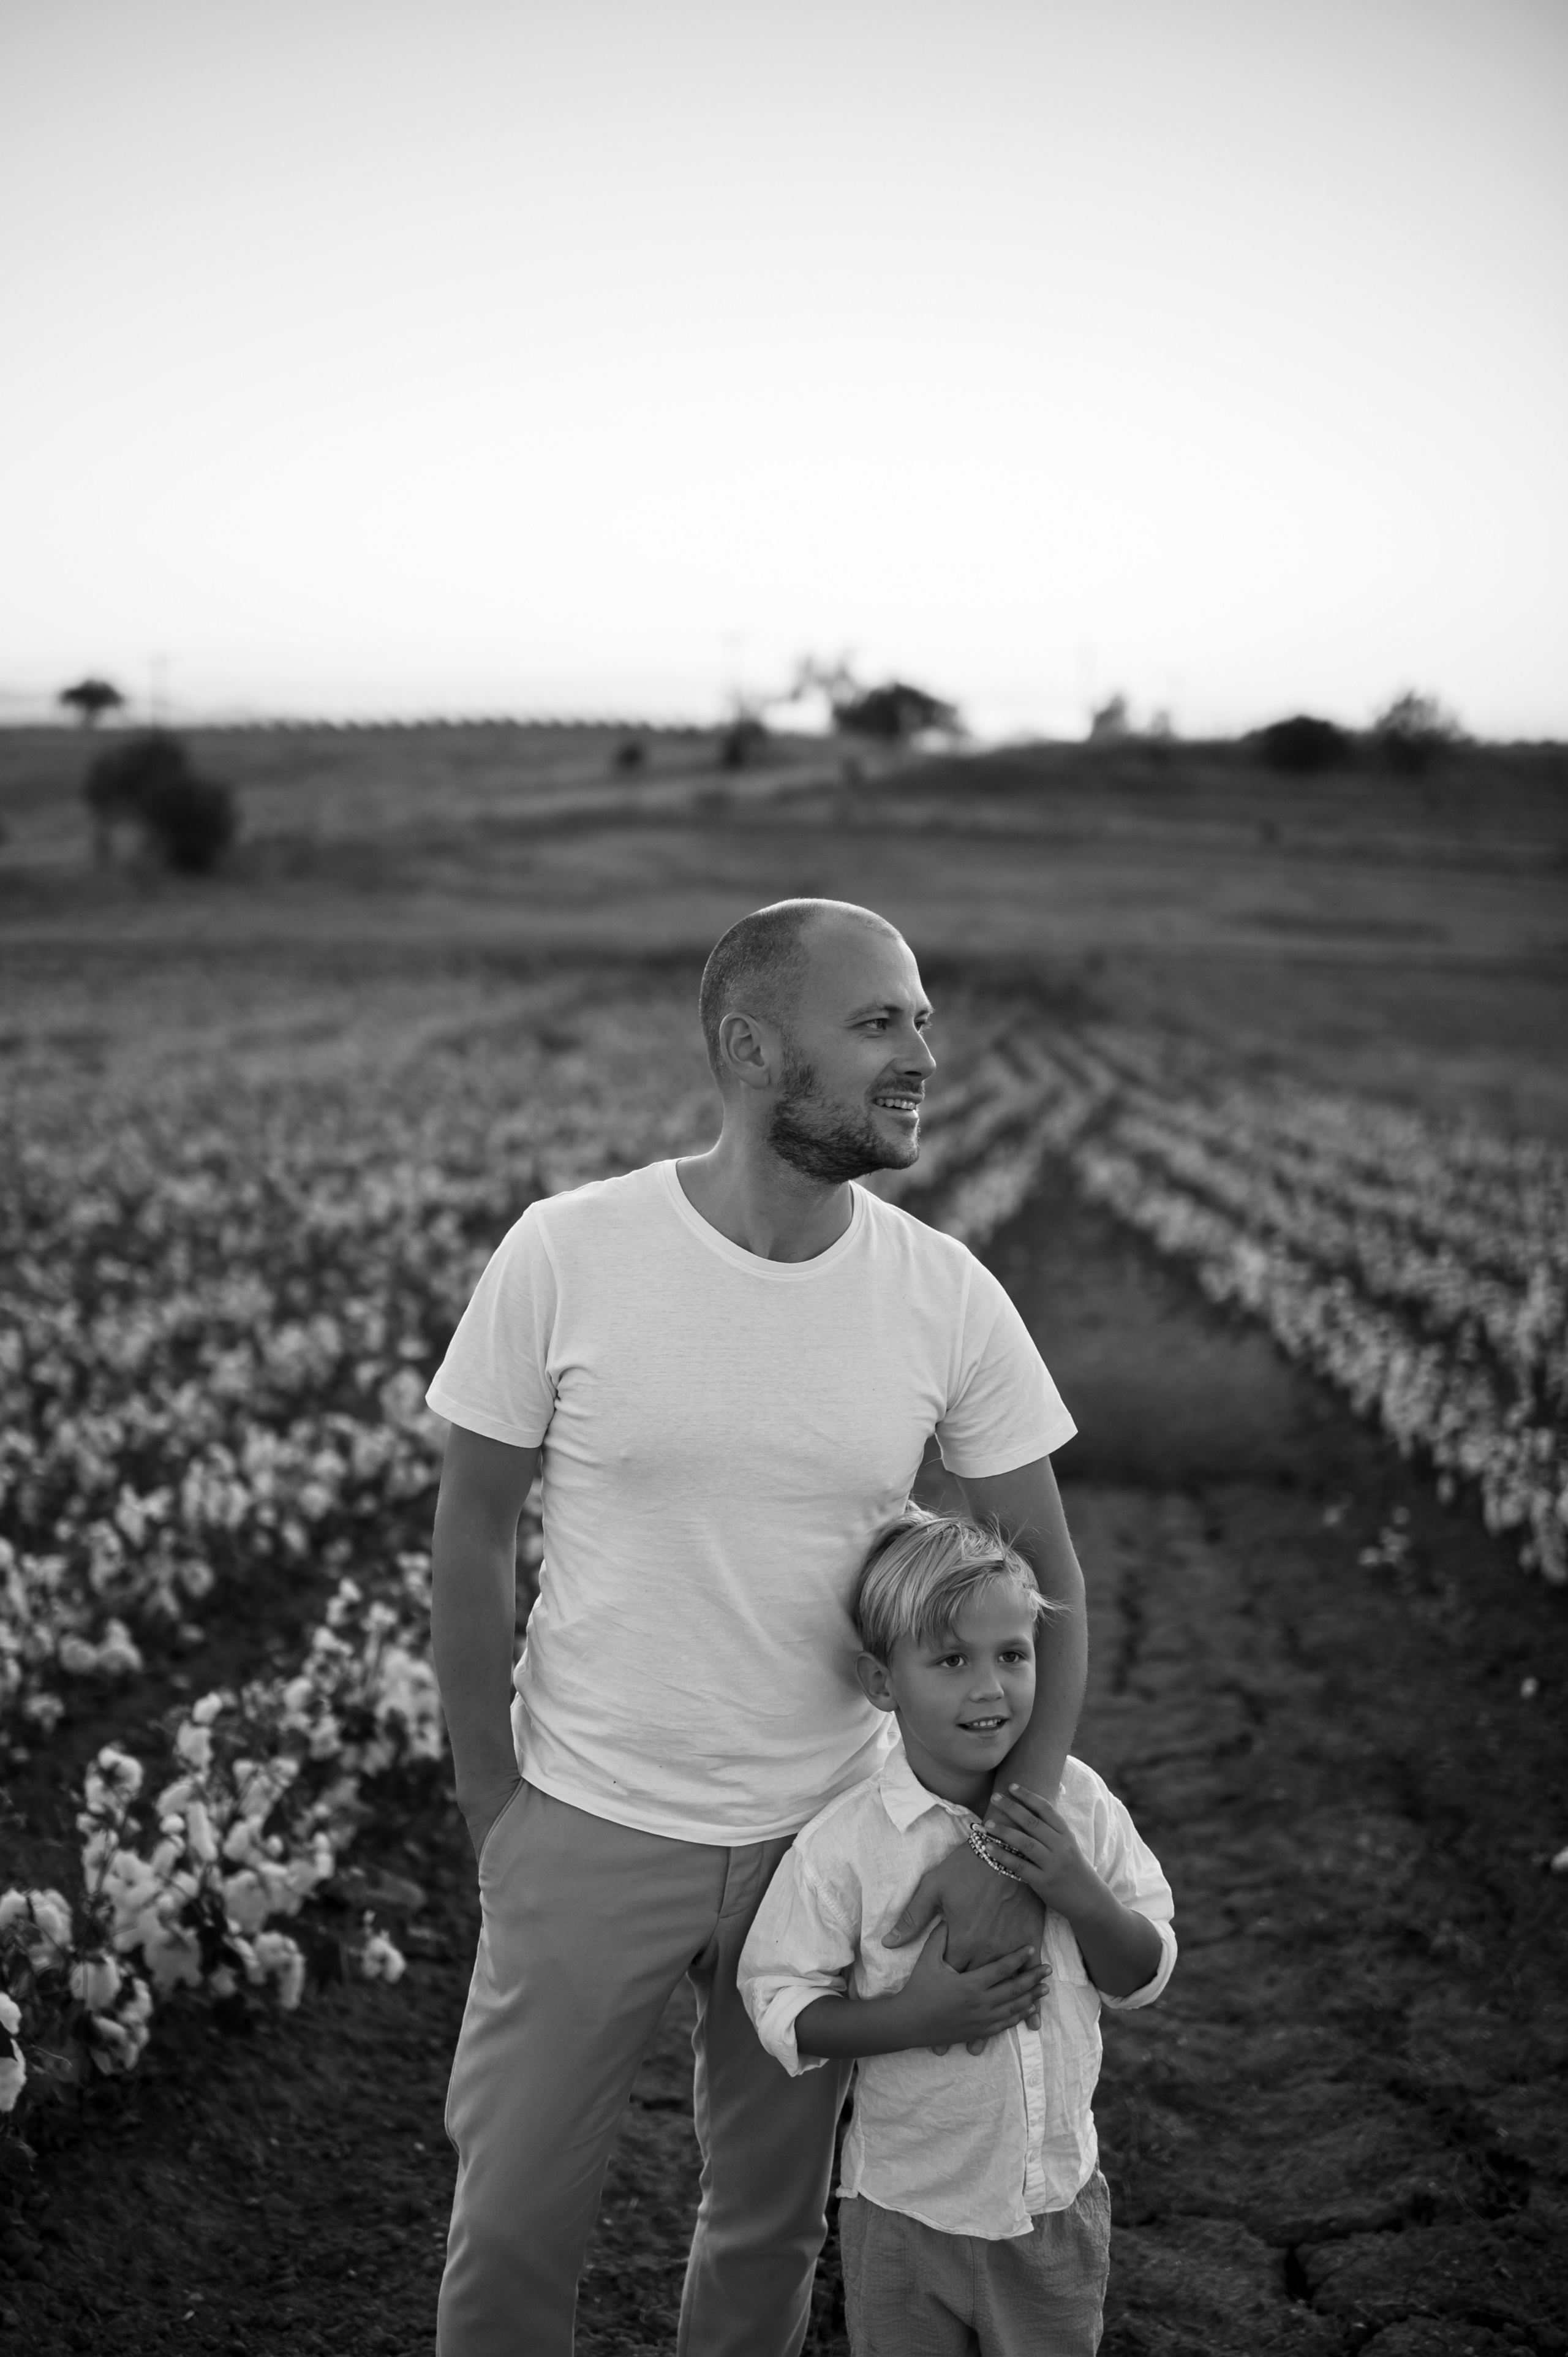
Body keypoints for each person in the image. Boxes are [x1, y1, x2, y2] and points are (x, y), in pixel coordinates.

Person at [425, 898, 1090, 2356]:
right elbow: (471, 1531)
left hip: (828, 1840)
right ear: (747, 1046)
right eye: (876, 1022)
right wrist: (495, 1804)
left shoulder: (942, 1294)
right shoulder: (567, 1251)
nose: (920, 1049)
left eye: (918, 1016)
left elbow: (1047, 1577)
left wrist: (1006, 1844)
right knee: (514, 2230)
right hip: (588, 1820)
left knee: (769, 2232)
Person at [739, 1509, 1176, 2357]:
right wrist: (918, 2020)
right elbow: (778, 2001)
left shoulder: (1079, 1806)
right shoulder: (848, 1844)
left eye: (1013, 1655)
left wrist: (1078, 1895)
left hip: (1051, 2208)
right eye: (951, 1661)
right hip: (902, 2214)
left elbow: (1147, 1971)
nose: (992, 1688)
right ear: (880, 1682)